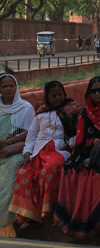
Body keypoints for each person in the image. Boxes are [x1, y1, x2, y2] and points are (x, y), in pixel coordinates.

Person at [9, 80, 81, 229]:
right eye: (53, 95)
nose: (57, 98)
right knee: (24, 173)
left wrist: (70, 144)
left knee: (51, 169)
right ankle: (31, 216)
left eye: (60, 94)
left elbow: (79, 131)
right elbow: (32, 134)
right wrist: (27, 153)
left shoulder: (72, 108)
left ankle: (50, 212)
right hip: (38, 151)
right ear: (47, 97)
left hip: (60, 150)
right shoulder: (41, 113)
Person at [53, 77, 100, 238]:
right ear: (89, 93)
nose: (97, 93)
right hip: (87, 153)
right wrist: (78, 158)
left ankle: (96, 219)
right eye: (94, 90)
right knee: (70, 171)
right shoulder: (84, 113)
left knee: (97, 177)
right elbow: (79, 139)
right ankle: (73, 219)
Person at [0, 71, 35, 231]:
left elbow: (31, 134)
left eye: (11, 85)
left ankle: (5, 217)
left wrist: (8, 143)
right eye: (4, 86)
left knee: (13, 164)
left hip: (15, 149)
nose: (8, 89)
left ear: (16, 87)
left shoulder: (25, 108)